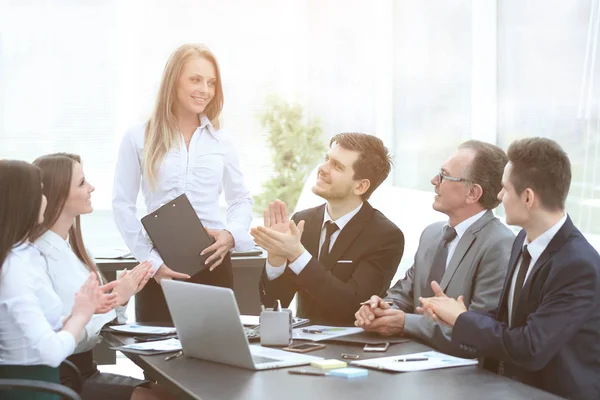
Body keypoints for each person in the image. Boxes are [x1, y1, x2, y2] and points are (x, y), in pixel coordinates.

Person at [420, 138, 600, 399]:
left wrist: (462, 318)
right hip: (508, 389)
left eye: (504, 188)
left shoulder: (578, 266)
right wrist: (455, 315)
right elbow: (508, 322)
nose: (500, 196)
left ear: (528, 197)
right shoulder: (522, 241)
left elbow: (530, 347)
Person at [113, 43, 253, 322]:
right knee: (156, 360)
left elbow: (240, 200)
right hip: (159, 270)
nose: (205, 89)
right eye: (195, 79)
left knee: (215, 358)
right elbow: (122, 204)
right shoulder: (137, 137)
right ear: (173, 80)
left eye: (211, 83)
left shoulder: (222, 142)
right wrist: (151, 262)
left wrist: (230, 235)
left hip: (213, 265)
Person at [354, 140, 514, 356]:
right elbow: (403, 294)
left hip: (465, 378)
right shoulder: (431, 234)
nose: (434, 181)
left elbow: (478, 328)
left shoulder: (499, 243)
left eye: (444, 175)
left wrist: (404, 323)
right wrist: (380, 309)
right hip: (409, 364)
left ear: (473, 193)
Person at [31, 153, 170, 400]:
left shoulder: (74, 250)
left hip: (83, 372)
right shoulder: (38, 257)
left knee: (175, 393)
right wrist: (115, 299)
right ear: (59, 194)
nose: (91, 187)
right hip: (63, 378)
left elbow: (95, 320)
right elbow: (64, 337)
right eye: (82, 183)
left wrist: (120, 299)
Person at [252, 133, 404, 325]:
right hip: (301, 345)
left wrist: (297, 255)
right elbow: (275, 304)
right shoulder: (302, 221)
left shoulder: (385, 236)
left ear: (360, 186)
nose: (322, 169)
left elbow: (352, 305)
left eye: (337, 166)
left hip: (353, 348)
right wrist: (276, 258)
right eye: (326, 160)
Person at [0, 159, 114, 399]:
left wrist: (82, 310)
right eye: (40, 191)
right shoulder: (14, 268)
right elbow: (51, 352)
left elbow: (38, 327)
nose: (45, 198)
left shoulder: (24, 255)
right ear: (23, 201)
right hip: (33, 390)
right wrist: (82, 315)